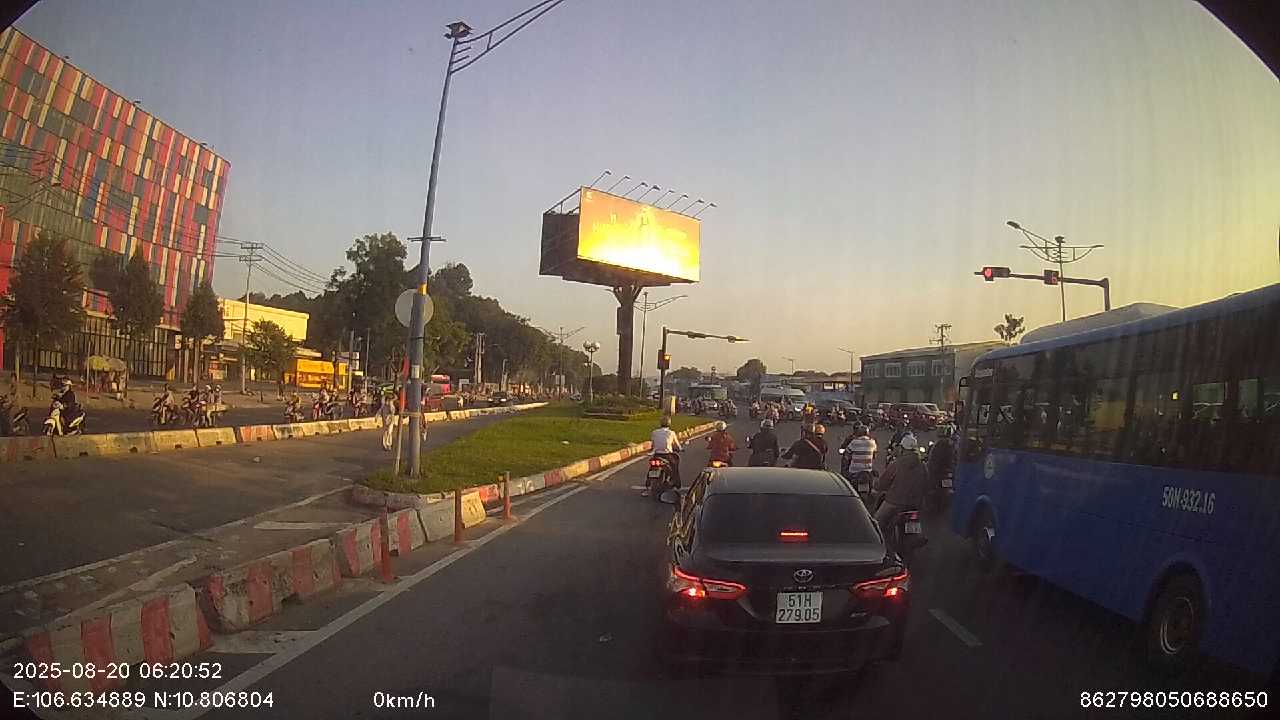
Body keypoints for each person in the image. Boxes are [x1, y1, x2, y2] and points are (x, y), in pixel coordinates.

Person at [873, 434, 931, 533]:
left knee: (876, 522)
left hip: (895, 502)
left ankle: (878, 540)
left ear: (902, 448)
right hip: (915, 503)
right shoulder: (923, 465)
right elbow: (927, 483)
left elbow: (883, 482)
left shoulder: (897, 464)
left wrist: (877, 485)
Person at [649, 416, 683, 490]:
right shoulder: (671, 433)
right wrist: (680, 449)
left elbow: (653, 444)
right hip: (667, 455)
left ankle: (648, 482)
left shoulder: (654, 432)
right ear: (669, 423)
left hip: (657, 454)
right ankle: (676, 483)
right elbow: (677, 445)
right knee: (674, 467)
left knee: (651, 466)